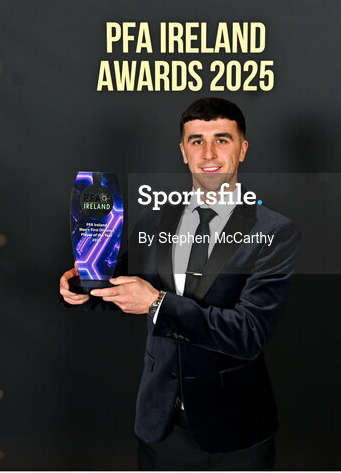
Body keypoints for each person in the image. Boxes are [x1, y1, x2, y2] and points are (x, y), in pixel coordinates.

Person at [59, 97, 300, 470]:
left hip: (235, 429)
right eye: (196, 141)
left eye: (222, 139)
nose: (208, 153)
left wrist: (157, 303)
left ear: (243, 148)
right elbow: (120, 286)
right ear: (183, 151)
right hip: (160, 425)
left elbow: (249, 333)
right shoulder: (157, 220)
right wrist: (81, 287)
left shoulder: (275, 232)